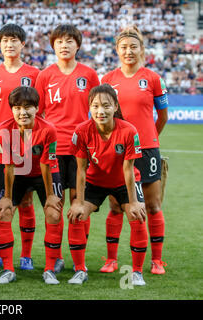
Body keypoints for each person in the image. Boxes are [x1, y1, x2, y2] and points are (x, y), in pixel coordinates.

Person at [101, 26, 168, 275]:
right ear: (117, 50)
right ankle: (111, 259)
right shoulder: (107, 79)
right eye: (123, 47)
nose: (128, 51)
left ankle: (157, 260)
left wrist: (148, 140)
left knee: (152, 206)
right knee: (116, 207)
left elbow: (162, 117)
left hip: (147, 150)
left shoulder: (153, 78)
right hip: (116, 151)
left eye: (133, 46)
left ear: (142, 49)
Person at [34, 24, 100, 274]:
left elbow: (98, 110)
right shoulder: (45, 75)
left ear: (78, 45)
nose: (64, 45)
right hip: (54, 149)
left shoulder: (89, 74)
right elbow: (38, 113)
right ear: (53, 45)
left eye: (70, 41)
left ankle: (78, 257)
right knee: (56, 203)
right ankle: (57, 257)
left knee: (79, 201)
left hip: (81, 149)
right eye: (60, 41)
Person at [67, 84, 148, 286]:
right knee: (76, 216)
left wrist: (134, 202)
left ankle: (137, 273)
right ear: (89, 108)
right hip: (95, 182)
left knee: (137, 216)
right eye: (95, 106)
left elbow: (128, 170)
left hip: (123, 182)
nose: (100, 111)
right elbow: (81, 169)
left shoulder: (129, 131)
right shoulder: (81, 131)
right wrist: (78, 201)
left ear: (115, 106)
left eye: (105, 105)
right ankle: (79, 270)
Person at [0, 24, 39, 271]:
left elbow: (38, 110)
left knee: (24, 201)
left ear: (22, 44)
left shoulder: (35, 73)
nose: (9, 44)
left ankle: (25, 256)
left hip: (25, 147)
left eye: (14, 40)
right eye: (4, 40)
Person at [0, 86, 63, 284]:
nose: (22, 112)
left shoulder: (48, 130)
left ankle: (49, 269)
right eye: (17, 107)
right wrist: (7, 196)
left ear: (37, 108)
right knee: (4, 212)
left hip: (45, 173)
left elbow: (46, 165)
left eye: (27, 107)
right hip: (17, 172)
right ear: (12, 109)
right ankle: (8, 269)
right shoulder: (3, 130)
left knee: (53, 212)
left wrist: (50, 195)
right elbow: (7, 166)